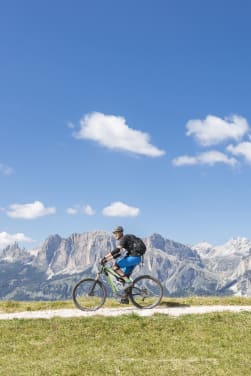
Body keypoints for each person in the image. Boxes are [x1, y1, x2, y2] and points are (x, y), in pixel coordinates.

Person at [100, 226, 146, 304]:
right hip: (136, 258)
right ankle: (125, 298)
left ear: (120, 232)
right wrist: (106, 260)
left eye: (116, 233)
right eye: (114, 233)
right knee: (124, 277)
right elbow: (118, 254)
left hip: (133, 257)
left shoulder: (124, 239)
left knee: (115, 267)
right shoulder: (126, 239)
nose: (115, 235)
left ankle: (128, 282)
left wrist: (104, 258)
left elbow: (117, 250)